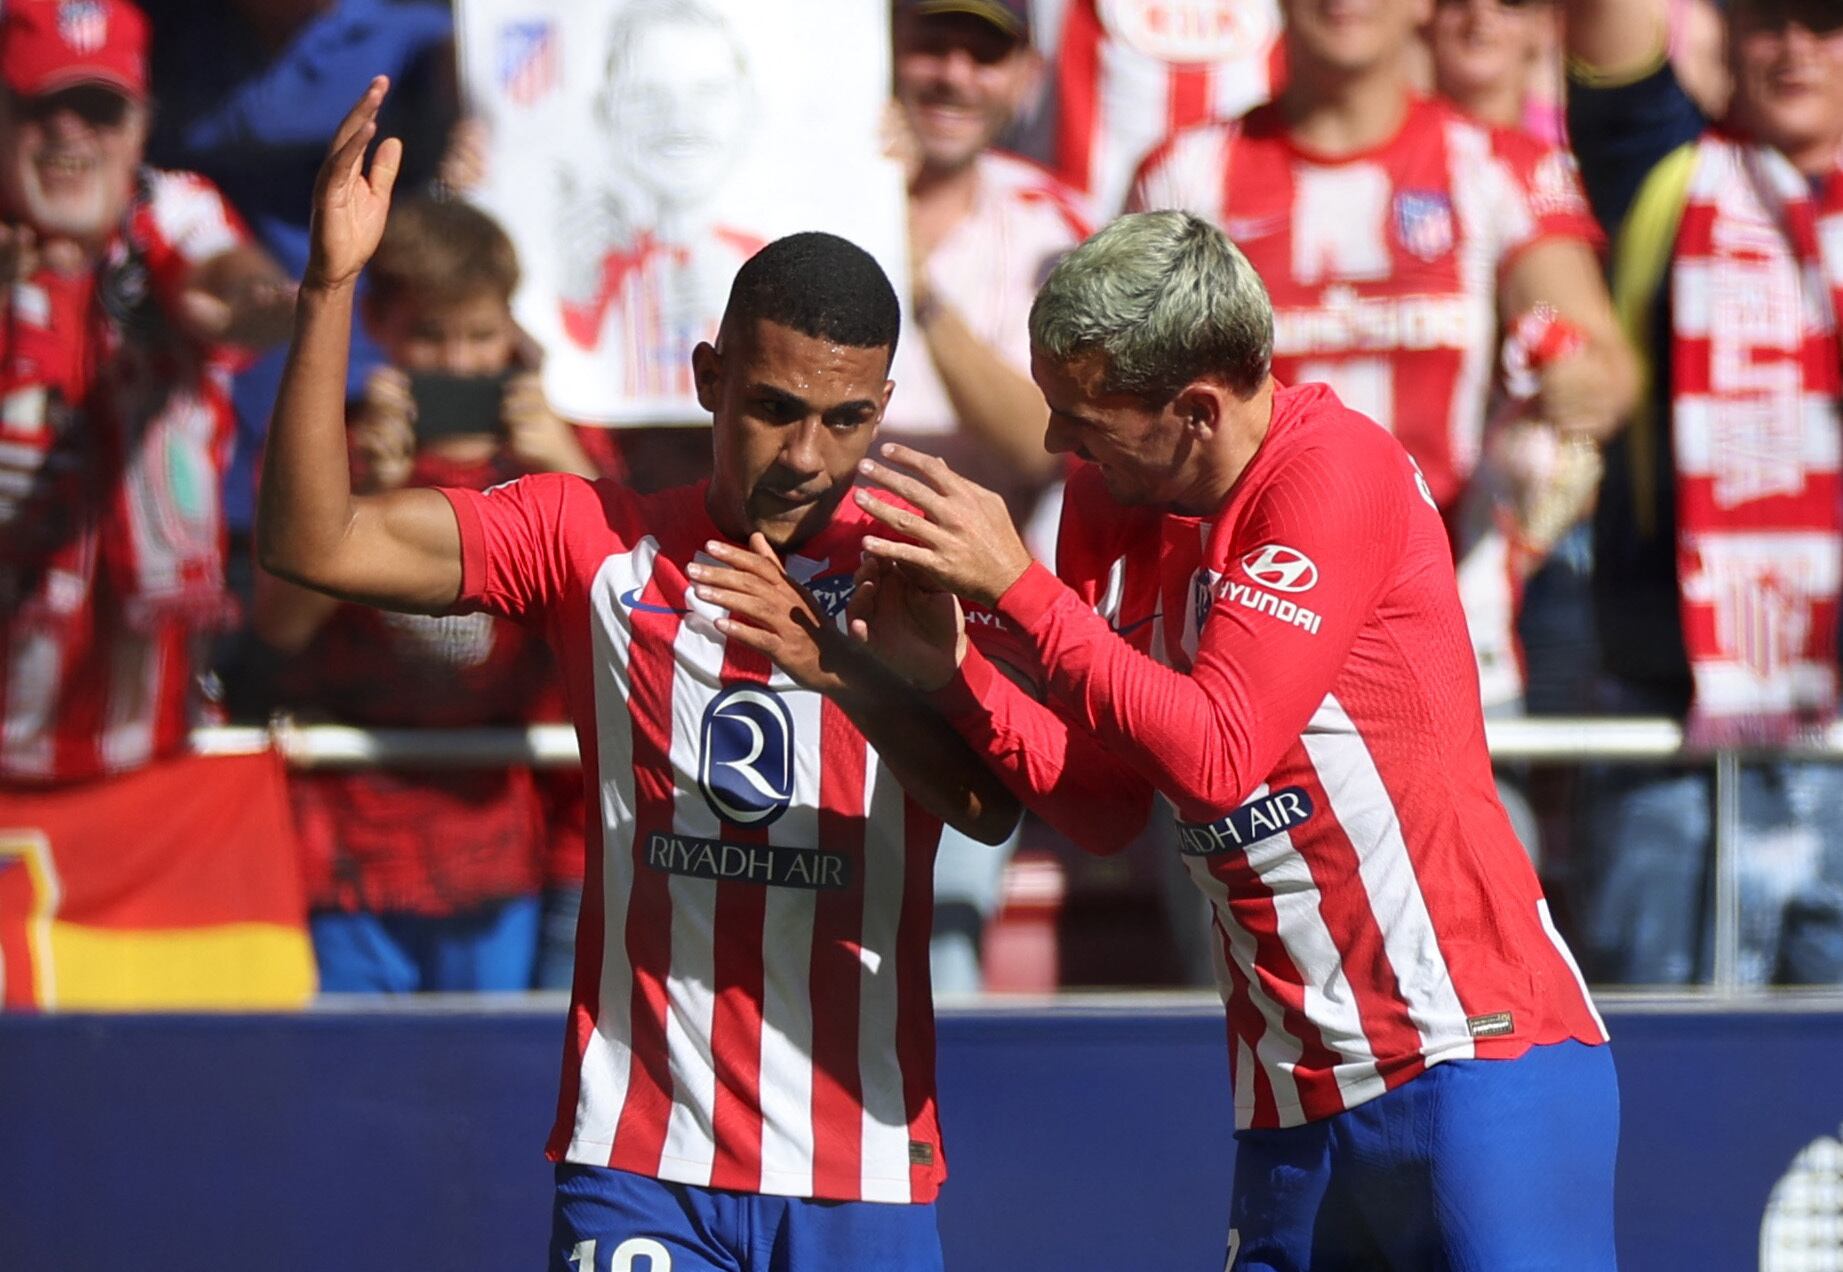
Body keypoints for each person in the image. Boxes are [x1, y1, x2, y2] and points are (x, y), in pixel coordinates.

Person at [260, 79, 1020, 1270]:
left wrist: (838, 669)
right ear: (710, 375)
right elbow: (314, 544)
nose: (804, 453)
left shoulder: (915, 567)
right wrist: (328, 291)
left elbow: (989, 805)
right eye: (773, 407)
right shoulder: (593, 538)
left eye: (840, 419)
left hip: (860, 1167)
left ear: (880, 411)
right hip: (641, 1159)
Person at [839, 211, 1616, 1268]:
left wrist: (1015, 593)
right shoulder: (1109, 497)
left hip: (1470, 1066)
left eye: (1083, 418)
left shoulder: (1332, 469)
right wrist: (953, 671)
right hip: (1290, 1105)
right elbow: (1109, 802)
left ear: (1195, 412)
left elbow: (1217, 755)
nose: (1059, 444)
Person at [1127, 0, 1638, 719]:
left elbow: (1605, 369)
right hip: (1237, 661)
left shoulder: (1500, 166)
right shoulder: (1183, 175)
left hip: (1452, 654)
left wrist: (1572, 381)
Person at [253, 196, 599, 993]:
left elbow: (640, 605)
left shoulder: (564, 457)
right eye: (431, 336)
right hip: (347, 850)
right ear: (377, 325)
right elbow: (275, 630)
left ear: (513, 329)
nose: (460, 361)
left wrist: (572, 470)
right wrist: (360, 492)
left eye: (481, 335)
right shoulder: (325, 452)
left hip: (497, 851)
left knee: (486, 1097)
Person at [1563, 0, 1843, 985]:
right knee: (1671, 1094)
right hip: (1671, 725)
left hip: (1839, 738)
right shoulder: (1663, 167)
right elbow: (1605, 31)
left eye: (1827, 21)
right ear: (1724, 34)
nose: (1797, 48)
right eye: (1770, 20)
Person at [0, 0, 293, 784]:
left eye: (98, 108)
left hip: (149, 756)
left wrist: (265, 299)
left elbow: (232, 280)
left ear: (140, 123)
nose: (70, 134)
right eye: (41, 106)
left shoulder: (174, 212)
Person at [886, 0, 1091, 992]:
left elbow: (1040, 437)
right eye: (931, 43)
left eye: (985, 53)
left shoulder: (1051, 222)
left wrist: (908, 283)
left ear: (1026, 81)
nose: (953, 76)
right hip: (791, 610)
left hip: (972, 644)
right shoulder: (775, 181)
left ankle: (936, 1146)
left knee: (940, 942)